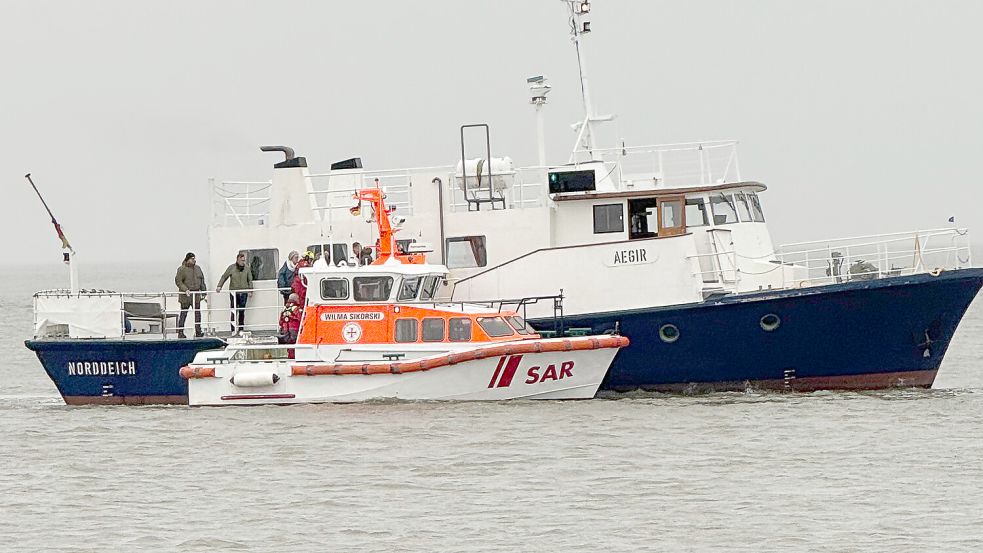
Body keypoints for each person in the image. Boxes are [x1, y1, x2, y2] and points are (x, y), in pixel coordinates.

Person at [217, 251, 254, 334]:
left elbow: (250, 280)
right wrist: (219, 286)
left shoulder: (247, 268)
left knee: (241, 311)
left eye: (244, 260)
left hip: (243, 293)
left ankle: (241, 329)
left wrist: (250, 290)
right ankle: (233, 329)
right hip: (234, 293)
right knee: (234, 311)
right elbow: (224, 277)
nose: (243, 262)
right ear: (237, 260)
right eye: (241, 260)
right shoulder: (231, 268)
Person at [174, 252, 206, 339]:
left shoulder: (198, 268)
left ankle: (198, 331)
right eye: (192, 258)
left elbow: (202, 280)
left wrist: (204, 292)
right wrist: (185, 289)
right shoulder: (181, 269)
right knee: (184, 313)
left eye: (194, 258)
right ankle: (180, 332)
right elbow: (178, 281)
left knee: (198, 314)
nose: (194, 260)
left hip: (196, 295)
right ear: (187, 259)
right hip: (186, 296)